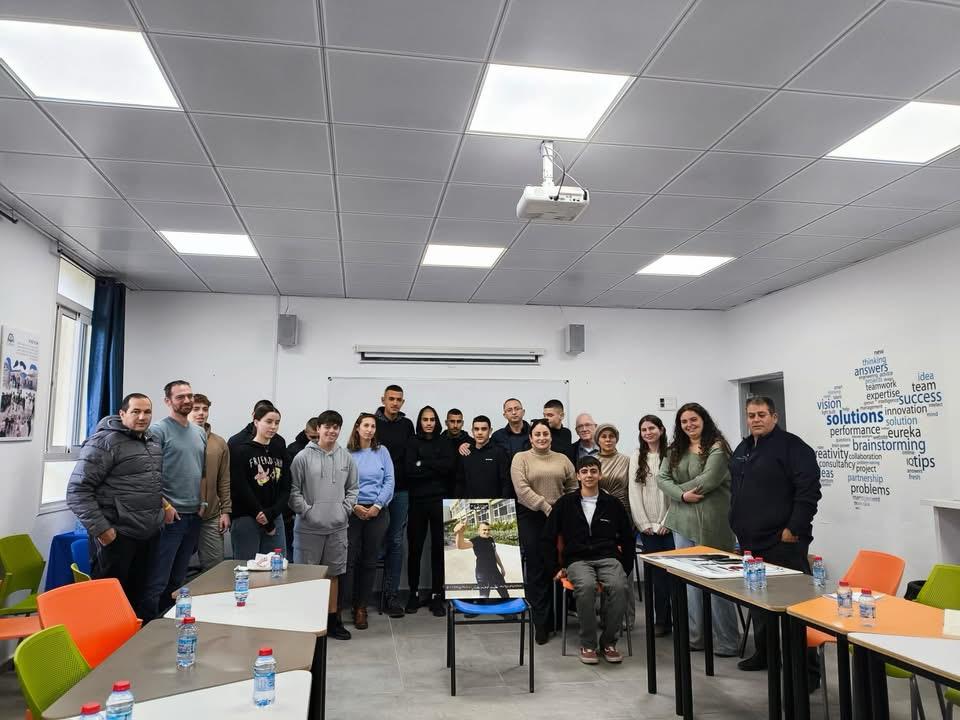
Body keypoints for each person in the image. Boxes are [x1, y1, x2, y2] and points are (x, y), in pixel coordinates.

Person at [730, 396, 822, 676]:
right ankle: (766, 654)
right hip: (751, 541)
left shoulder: (794, 447)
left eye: (761, 414)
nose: (756, 420)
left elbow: (808, 492)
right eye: (751, 415)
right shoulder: (744, 448)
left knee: (796, 606)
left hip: (783, 542)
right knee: (759, 601)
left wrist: (792, 529)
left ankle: (807, 671)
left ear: (774, 416)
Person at [66, 393, 167, 618]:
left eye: (147, 412)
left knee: (135, 603)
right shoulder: (104, 442)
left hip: (147, 535)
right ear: (122, 414)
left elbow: (147, 485)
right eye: (135, 411)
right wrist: (103, 530)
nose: (142, 417)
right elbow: (77, 491)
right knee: (108, 608)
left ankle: (133, 641)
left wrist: (163, 510)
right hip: (117, 536)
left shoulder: (152, 442)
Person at [658, 402, 740, 657]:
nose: (689, 425)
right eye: (684, 422)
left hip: (713, 523)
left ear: (704, 420)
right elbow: (661, 478)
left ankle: (727, 641)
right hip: (682, 522)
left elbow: (709, 480)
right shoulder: (675, 449)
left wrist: (676, 490)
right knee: (690, 584)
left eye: (693, 419)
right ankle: (696, 637)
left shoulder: (717, 447)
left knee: (717, 583)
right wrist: (681, 496)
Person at [542, 456, 634, 665]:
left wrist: (625, 567)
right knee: (586, 587)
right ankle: (588, 644)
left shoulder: (613, 504)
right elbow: (547, 537)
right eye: (584, 471)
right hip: (577, 559)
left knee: (620, 587)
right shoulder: (565, 503)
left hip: (608, 557)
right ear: (578, 476)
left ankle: (609, 642)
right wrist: (554, 568)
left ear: (600, 475)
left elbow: (628, 538)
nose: (589, 475)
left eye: (593, 471)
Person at [290, 410, 358, 641]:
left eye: (335, 427)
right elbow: (293, 491)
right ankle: (308, 622)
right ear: (318, 429)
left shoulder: (346, 457)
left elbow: (353, 489)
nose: (331, 431)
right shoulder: (302, 457)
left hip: (337, 528)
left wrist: (344, 510)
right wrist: (308, 512)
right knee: (307, 577)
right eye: (327, 426)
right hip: (308, 529)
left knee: (333, 575)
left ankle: (333, 621)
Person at [143, 380, 206, 619]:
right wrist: (165, 505)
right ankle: (149, 628)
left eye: (189, 395)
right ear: (168, 401)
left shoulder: (199, 432)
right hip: (170, 516)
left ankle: (169, 625)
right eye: (180, 397)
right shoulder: (158, 431)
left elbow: (201, 471)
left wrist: (202, 503)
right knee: (157, 579)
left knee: (178, 580)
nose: (187, 400)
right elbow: (149, 474)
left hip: (193, 516)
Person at [512, 418, 577, 644]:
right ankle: (540, 623)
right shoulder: (520, 458)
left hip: (559, 518)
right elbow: (522, 490)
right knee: (537, 568)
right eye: (537, 434)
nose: (542, 438)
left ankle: (557, 620)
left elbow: (573, 486)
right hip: (532, 517)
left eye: (545, 434)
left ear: (551, 437)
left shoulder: (563, 459)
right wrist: (546, 507)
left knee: (557, 566)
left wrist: (561, 509)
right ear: (530, 438)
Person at [343, 413, 394, 630]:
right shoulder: (346, 454)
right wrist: (354, 505)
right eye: (366, 425)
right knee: (349, 559)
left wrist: (377, 506)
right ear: (357, 428)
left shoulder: (382, 451)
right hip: (352, 511)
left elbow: (389, 480)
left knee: (369, 560)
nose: (370, 429)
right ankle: (345, 604)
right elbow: (341, 483)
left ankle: (361, 607)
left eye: (373, 426)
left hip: (377, 512)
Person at [405, 405, 455, 616]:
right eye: (425, 419)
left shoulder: (444, 442)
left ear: (437, 422)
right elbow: (409, 470)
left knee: (439, 550)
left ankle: (436, 595)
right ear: (420, 421)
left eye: (432, 419)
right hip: (417, 502)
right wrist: (434, 466)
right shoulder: (412, 442)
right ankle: (413, 594)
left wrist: (423, 463)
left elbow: (449, 468)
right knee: (415, 549)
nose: (428, 423)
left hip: (439, 502)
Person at [629, 414, 674, 637]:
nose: (648, 432)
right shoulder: (637, 456)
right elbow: (633, 491)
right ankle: (661, 621)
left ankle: (680, 621)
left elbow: (677, 492)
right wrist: (643, 522)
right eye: (644, 429)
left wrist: (668, 521)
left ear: (661, 430)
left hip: (671, 527)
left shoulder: (672, 454)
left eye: (652, 428)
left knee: (674, 577)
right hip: (648, 528)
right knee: (657, 579)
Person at [230, 404, 292, 561]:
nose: (273, 426)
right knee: (247, 566)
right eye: (268, 421)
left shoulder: (279, 450)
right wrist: (260, 514)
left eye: (277, 423)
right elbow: (241, 488)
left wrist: (272, 514)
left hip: (274, 515)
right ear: (256, 422)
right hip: (247, 516)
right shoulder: (241, 450)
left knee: (276, 565)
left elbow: (286, 487)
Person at [375, 384, 416, 618]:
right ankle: (362, 599)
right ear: (383, 399)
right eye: (391, 399)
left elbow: (411, 455)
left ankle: (391, 596)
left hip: (400, 491)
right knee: (370, 542)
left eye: (399, 399)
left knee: (396, 542)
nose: (395, 403)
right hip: (375, 492)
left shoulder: (407, 424)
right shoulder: (371, 422)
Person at [594, 422, 634, 629]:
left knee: (625, 566)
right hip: (600, 515)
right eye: (604, 436)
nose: (608, 440)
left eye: (611, 436)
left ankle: (626, 618)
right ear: (597, 440)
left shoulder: (627, 460)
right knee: (605, 564)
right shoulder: (593, 461)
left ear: (616, 438)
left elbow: (633, 488)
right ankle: (606, 616)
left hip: (623, 513)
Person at [188, 393, 231, 571]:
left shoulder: (219, 443)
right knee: (175, 567)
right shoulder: (175, 439)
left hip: (211, 516)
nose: (201, 413)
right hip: (182, 515)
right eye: (196, 409)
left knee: (215, 569)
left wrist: (226, 511)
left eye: (205, 409)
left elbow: (224, 479)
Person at [285, 417, 319, 559]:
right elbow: (289, 483)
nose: (316, 440)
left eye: (319, 436)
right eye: (313, 437)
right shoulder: (293, 450)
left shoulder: (329, 449)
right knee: (294, 553)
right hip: (296, 510)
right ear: (306, 433)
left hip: (319, 509)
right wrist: (295, 509)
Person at [456, 415, 511, 498]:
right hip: (470, 504)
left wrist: (503, 501)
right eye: (476, 429)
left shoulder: (499, 452)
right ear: (472, 431)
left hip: (494, 503)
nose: (480, 432)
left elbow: (506, 482)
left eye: (484, 429)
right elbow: (460, 482)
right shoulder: (466, 452)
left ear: (490, 431)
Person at [453, 521, 509, 599]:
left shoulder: (491, 539)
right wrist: (460, 533)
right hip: (482, 574)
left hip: (495, 571)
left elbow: (495, 553)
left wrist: (502, 567)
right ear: (479, 530)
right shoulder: (475, 540)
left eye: (488, 530)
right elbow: (460, 546)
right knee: (484, 597)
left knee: (505, 595)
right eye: (484, 530)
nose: (487, 532)